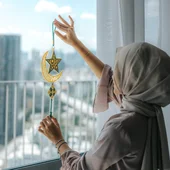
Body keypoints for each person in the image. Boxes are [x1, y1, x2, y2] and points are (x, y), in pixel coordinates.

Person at [38, 15, 170, 170]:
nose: (114, 76)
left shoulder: (121, 128)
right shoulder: (146, 111)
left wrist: (58, 141)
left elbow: (78, 168)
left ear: (130, 82)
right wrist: (75, 43)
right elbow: (108, 80)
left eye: (120, 71)